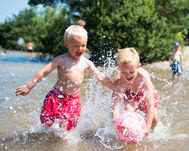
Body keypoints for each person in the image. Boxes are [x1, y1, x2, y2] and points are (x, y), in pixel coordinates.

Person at [15, 25, 117, 131]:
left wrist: (115, 89)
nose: (80, 49)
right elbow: (44, 72)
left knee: (68, 131)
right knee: (47, 127)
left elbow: (100, 76)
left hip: (73, 101)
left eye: (83, 45)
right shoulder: (61, 60)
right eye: (76, 46)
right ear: (66, 44)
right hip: (56, 98)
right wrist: (29, 85)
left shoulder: (86, 63)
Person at [111, 48, 160, 135]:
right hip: (131, 95)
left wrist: (147, 129)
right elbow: (115, 106)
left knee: (154, 117)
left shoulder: (143, 78)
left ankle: (152, 132)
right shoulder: (119, 81)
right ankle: (131, 132)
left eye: (131, 72)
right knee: (128, 110)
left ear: (138, 67)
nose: (128, 76)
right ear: (119, 68)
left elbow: (150, 105)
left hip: (146, 95)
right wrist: (116, 123)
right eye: (124, 72)